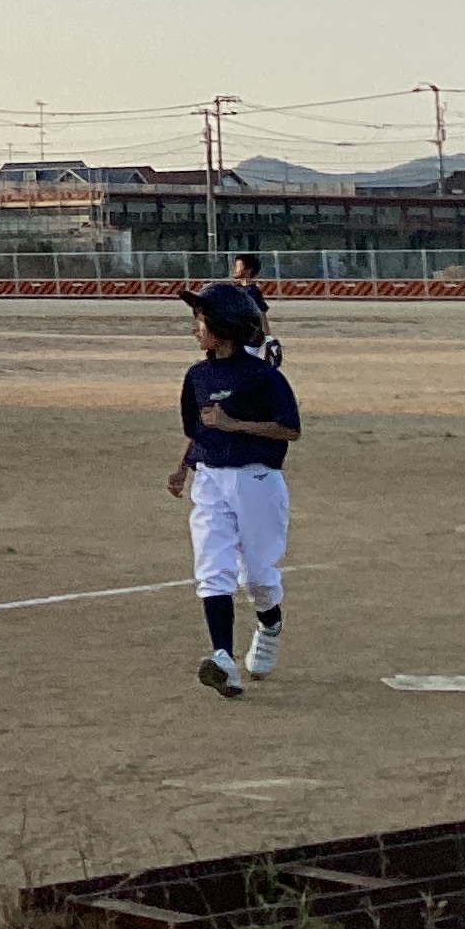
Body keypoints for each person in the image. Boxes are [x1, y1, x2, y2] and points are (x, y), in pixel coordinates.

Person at [171, 279, 298, 698]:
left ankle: (270, 623)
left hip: (257, 480)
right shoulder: (197, 376)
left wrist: (235, 424)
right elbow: (198, 429)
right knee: (212, 567)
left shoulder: (263, 376)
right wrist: (183, 468)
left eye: (200, 321)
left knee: (258, 576)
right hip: (210, 479)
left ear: (223, 327)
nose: (195, 330)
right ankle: (223, 659)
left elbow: (289, 429)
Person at [229, 252, 282, 365]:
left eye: (238, 266)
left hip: (251, 338)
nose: (235, 269)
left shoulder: (252, 291)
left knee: (244, 366)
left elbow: (261, 313)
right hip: (238, 337)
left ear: (248, 270)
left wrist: (268, 336)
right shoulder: (236, 289)